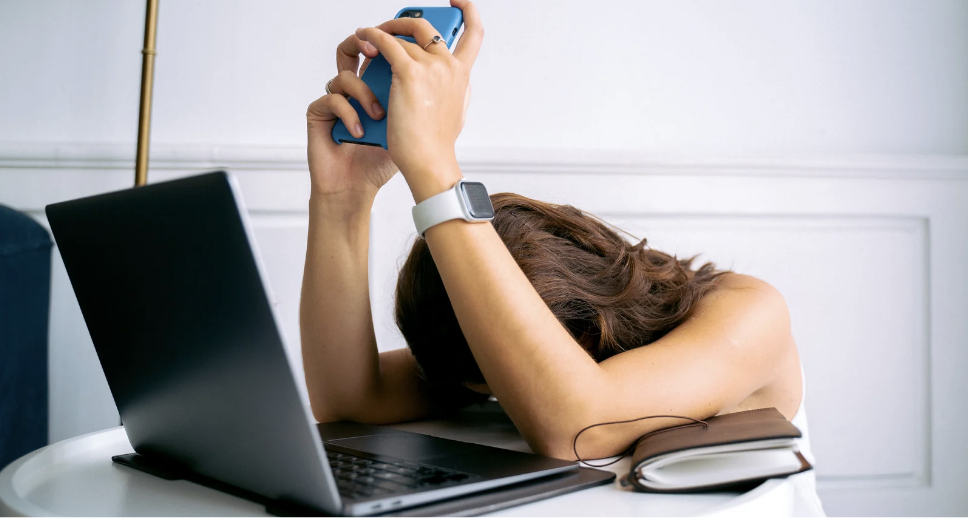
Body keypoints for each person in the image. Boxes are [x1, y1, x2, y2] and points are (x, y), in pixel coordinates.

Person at [300, 6, 818, 507]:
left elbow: (578, 428)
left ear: (591, 324)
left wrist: (435, 167)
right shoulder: (491, 352)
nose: (488, 388)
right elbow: (351, 401)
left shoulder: (751, 310)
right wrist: (342, 200)